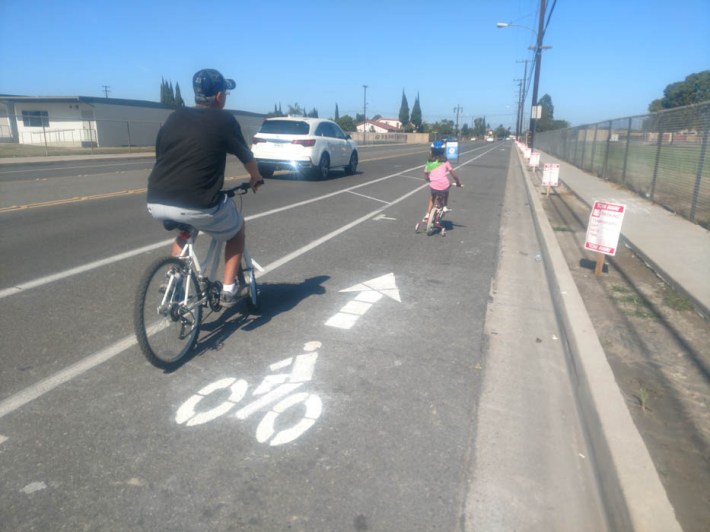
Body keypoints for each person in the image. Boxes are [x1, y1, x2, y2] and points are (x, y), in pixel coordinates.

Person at [146, 68, 263, 306]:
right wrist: (256, 177)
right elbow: (245, 155)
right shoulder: (224, 120)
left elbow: (161, 153)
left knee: (186, 229)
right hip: (199, 203)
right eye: (226, 93)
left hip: (157, 199)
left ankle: (173, 278)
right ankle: (229, 288)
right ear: (219, 96)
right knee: (237, 229)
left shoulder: (175, 116)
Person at [421, 141, 462, 222]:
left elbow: (426, 174)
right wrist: (458, 182)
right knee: (447, 188)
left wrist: (428, 180)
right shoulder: (445, 162)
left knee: (432, 198)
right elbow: (453, 174)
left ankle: (427, 214)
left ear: (431, 151)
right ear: (443, 151)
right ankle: (445, 206)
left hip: (433, 185)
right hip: (444, 185)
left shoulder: (429, 162)